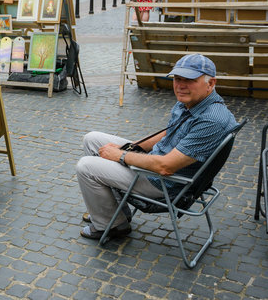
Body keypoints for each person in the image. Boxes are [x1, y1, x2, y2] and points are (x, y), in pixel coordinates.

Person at [76, 54, 237, 240]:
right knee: (92, 139)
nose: (180, 85)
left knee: (86, 167)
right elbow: (169, 133)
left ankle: (112, 225)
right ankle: (112, 211)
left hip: (164, 182)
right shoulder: (191, 101)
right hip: (157, 164)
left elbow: (165, 166)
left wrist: (120, 155)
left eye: (189, 80)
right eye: (177, 79)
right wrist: (133, 147)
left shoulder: (211, 119)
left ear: (210, 83)